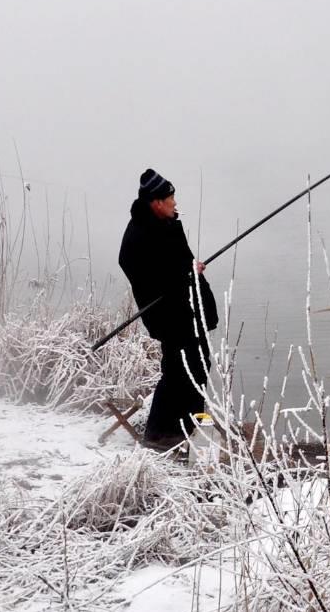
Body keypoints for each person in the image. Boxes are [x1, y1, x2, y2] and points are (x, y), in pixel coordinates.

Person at [118, 168, 218, 451]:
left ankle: (188, 428)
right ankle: (158, 434)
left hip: (188, 305)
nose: (175, 203)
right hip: (168, 313)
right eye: (170, 198)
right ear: (155, 201)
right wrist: (183, 273)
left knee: (198, 363)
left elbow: (178, 259)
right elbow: (136, 265)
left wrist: (191, 270)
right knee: (178, 369)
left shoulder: (168, 222)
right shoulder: (139, 231)